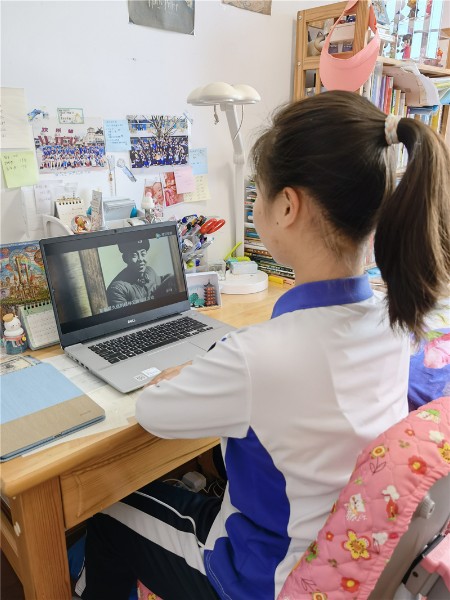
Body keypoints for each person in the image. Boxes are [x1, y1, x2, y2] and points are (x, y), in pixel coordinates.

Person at [76, 91, 450, 600]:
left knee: (108, 515)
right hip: (342, 557)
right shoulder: (398, 318)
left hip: (265, 577)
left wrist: (182, 374)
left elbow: (153, 412)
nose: (254, 205)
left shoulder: (257, 356)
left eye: (258, 192)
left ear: (287, 206)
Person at [106, 239, 162, 308]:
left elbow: (161, 283)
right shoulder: (117, 289)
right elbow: (125, 314)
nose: (141, 259)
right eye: (134, 255)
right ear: (125, 258)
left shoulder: (150, 271)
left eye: (143, 254)